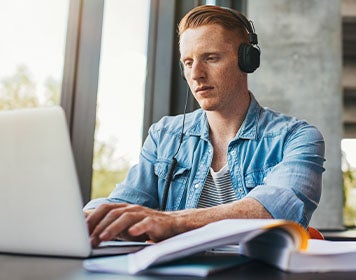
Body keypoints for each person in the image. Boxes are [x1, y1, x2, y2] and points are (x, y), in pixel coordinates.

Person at [85, 5, 325, 247]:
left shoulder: (297, 137)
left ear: (246, 61)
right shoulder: (164, 135)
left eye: (210, 58)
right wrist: (87, 218)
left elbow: (277, 211)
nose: (196, 74)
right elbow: (123, 203)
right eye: (188, 63)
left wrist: (170, 222)